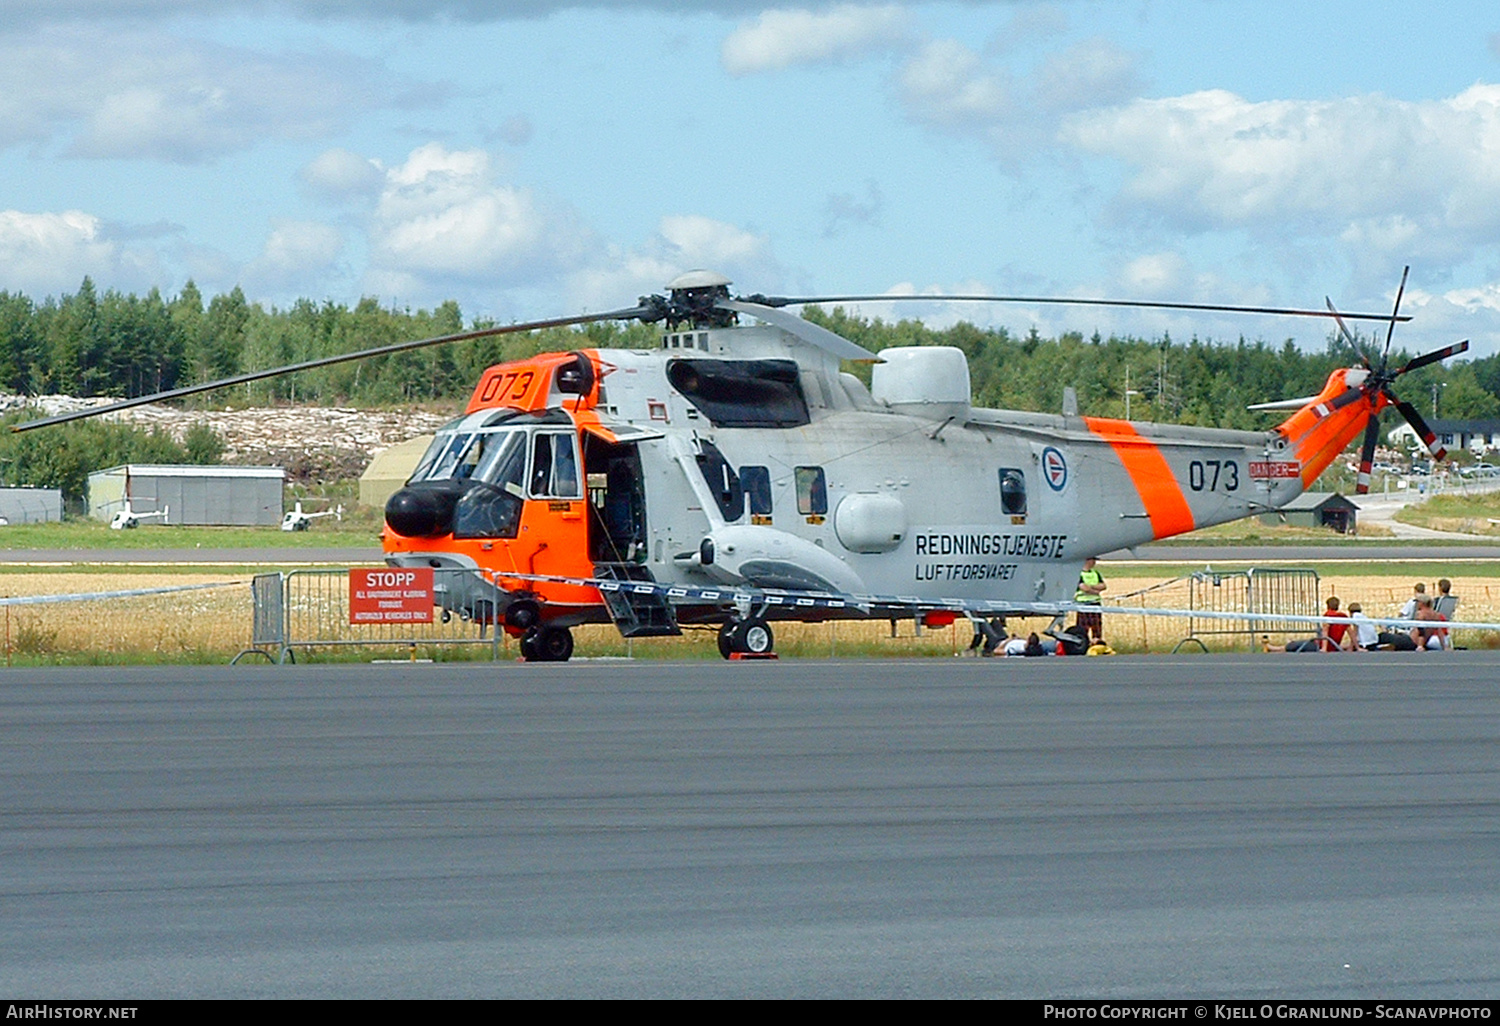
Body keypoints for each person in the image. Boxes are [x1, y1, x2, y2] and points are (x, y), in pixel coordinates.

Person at [1074, 556, 1106, 641]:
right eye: (1093, 560)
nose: (1094, 562)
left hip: (1095, 603)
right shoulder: (1079, 573)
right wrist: (1095, 590)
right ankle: (1083, 643)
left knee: (1097, 627)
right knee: (1083, 628)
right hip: (1083, 604)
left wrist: (1090, 587)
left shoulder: (1095, 573)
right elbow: (1083, 588)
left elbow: (1103, 586)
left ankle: (1097, 644)